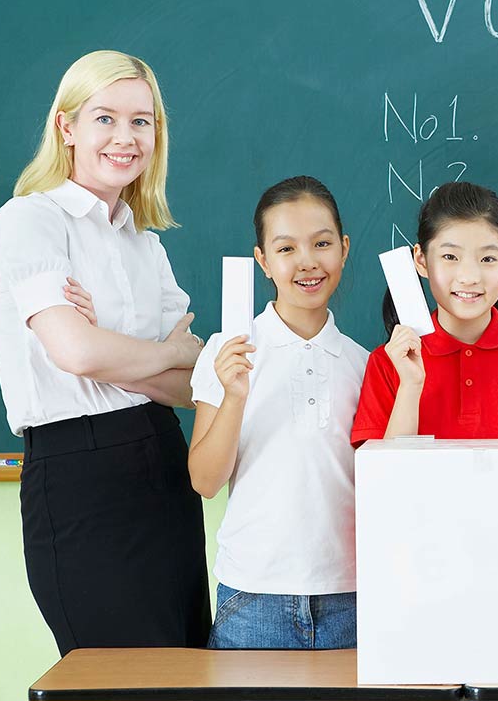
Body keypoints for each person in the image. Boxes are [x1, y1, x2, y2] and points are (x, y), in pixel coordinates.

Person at [0, 50, 210, 655]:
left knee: (184, 666)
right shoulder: (30, 221)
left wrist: (126, 354)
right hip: (79, 475)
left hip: (164, 465)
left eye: (142, 121)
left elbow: (193, 388)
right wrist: (161, 352)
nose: (125, 137)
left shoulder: (145, 245)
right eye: (104, 118)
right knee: (115, 677)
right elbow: (77, 352)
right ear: (67, 127)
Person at [188, 176, 368, 649]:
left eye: (322, 243)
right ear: (263, 261)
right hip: (253, 597)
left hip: (350, 594)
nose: (307, 262)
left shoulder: (365, 364)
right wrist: (233, 395)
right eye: (286, 249)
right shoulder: (227, 352)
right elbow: (205, 481)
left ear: (344, 249)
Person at [351, 181, 498, 442]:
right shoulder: (387, 363)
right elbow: (383, 480)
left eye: (487, 259)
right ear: (421, 261)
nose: (469, 277)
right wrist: (410, 385)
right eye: (450, 257)